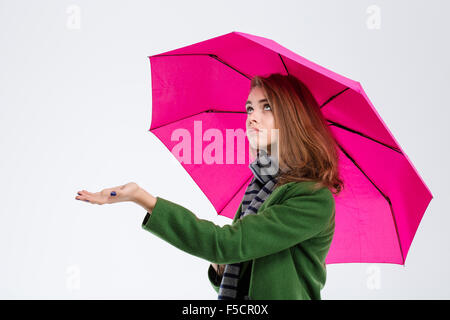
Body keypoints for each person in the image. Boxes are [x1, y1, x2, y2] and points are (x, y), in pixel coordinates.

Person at [75, 73, 344, 300]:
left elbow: (227, 244)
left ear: (293, 118)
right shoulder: (261, 186)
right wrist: (220, 268)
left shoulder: (312, 198)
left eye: (267, 107)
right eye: (249, 108)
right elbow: (239, 268)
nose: (252, 117)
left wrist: (142, 198)